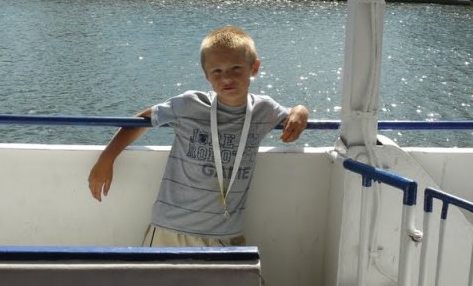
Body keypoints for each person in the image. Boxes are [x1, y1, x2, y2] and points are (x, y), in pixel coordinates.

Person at [88, 25, 309, 247]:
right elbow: (142, 121)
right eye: (217, 71)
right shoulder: (190, 104)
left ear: (255, 68)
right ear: (206, 75)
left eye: (236, 68)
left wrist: (301, 111)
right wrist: (107, 159)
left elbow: (293, 114)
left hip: (225, 232)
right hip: (171, 228)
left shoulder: (264, 110)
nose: (226, 78)